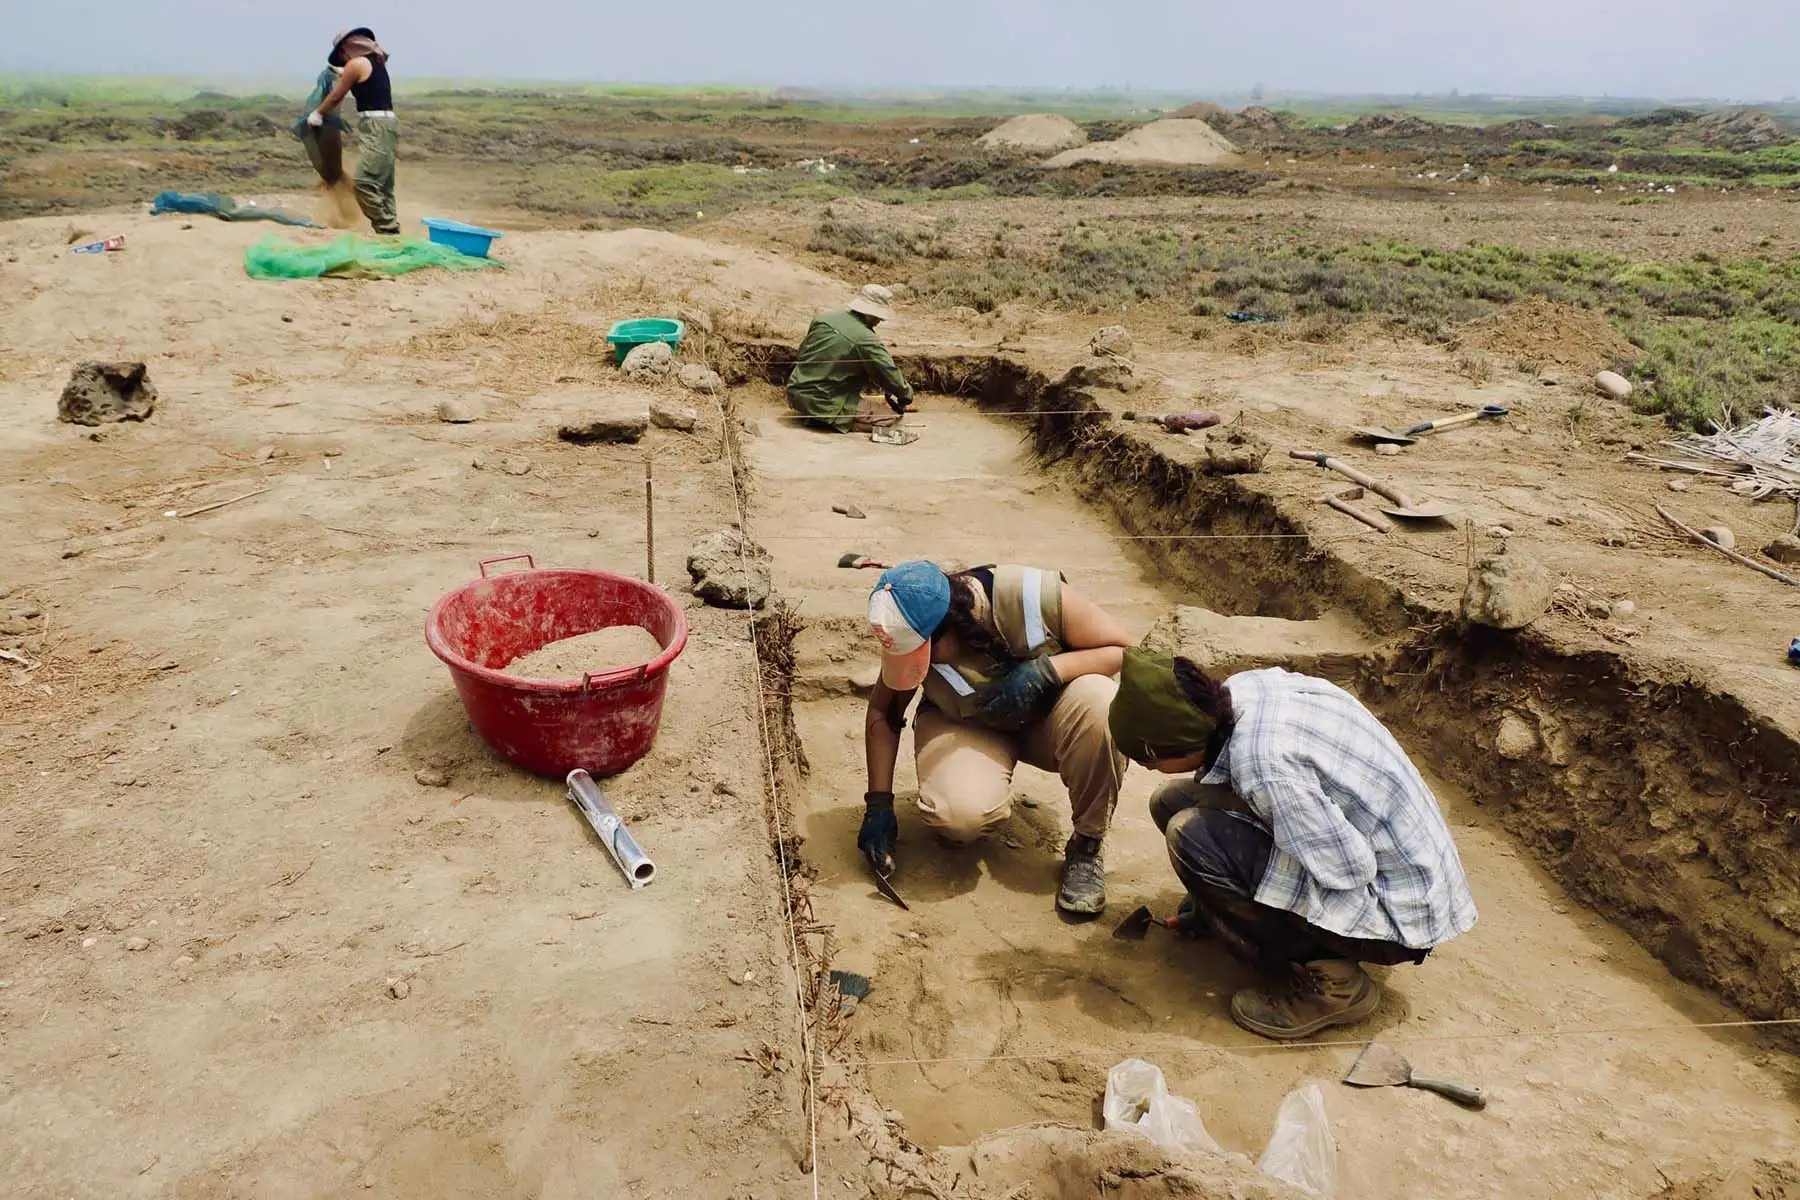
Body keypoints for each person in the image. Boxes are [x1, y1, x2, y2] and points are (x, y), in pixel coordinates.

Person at [1106, 649, 1477, 1040]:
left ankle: (1332, 984)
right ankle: (1219, 911)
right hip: (1397, 860)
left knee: (1190, 836)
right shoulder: (1240, 693)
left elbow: (1350, 869)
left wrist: (1245, 880)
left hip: (1399, 909)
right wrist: (1216, 897)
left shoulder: (1265, 767)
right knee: (1171, 802)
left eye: (1148, 762)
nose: (1150, 771)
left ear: (1171, 746)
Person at [857, 560, 1131, 915]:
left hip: (1049, 721)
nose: (921, 664)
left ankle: (1087, 846)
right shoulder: (913, 630)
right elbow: (883, 712)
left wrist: (1048, 670)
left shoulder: (1027, 594)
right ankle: (972, 793)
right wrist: (878, 804)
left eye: (924, 653)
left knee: (1103, 703)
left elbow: (1123, 649)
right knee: (957, 815)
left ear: (950, 625)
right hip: (968, 724)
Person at [786, 286, 916, 444]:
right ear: (870, 313)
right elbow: (888, 372)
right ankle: (828, 421)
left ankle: (819, 415)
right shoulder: (866, 339)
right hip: (824, 401)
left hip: (796, 392)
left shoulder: (823, 319)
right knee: (888, 418)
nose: (879, 321)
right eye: (878, 317)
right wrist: (906, 395)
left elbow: (802, 353)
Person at [306, 28, 399, 236]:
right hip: (387, 123)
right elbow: (355, 78)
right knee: (384, 184)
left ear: (346, 49)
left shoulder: (356, 64)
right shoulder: (373, 63)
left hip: (376, 125)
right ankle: (391, 228)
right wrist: (342, 73)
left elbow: (336, 96)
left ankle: (387, 229)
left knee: (364, 182)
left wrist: (318, 114)